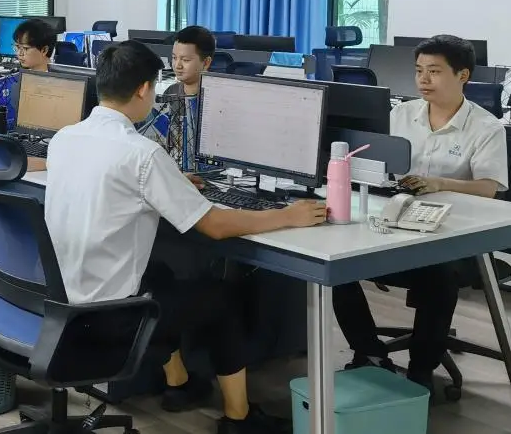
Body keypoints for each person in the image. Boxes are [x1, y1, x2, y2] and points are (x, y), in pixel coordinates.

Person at [44, 40, 326, 432]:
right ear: (144, 89)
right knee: (221, 299)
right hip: (112, 316)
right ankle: (238, 419)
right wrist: (287, 215)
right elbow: (215, 226)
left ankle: (179, 385)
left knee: (160, 273)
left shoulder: (65, 137)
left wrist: (171, 182)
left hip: (68, 298)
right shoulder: (141, 153)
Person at [333, 34, 507, 394]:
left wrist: (440, 183)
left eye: (435, 71)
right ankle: (370, 352)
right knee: (333, 263)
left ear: (463, 75)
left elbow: (489, 188)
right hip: (395, 227)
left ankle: (421, 371)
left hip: (454, 237)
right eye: (419, 71)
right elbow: (375, 163)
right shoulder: (400, 115)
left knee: (438, 276)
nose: (423, 79)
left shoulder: (486, 127)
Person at [167, 25, 215, 98]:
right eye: (174, 58)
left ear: (206, 63)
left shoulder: (218, 96)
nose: (177, 66)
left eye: (185, 60)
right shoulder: (171, 92)